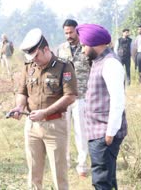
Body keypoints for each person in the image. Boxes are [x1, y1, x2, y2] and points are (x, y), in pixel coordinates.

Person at [8, 28, 77, 190]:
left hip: (55, 126)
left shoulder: (64, 67)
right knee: (34, 172)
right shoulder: (29, 67)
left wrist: (45, 113)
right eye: (32, 57)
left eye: (37, 56)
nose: (35, 60)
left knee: (59, 174)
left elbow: (70, 96)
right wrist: (19, 106)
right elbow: (22, 92)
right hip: (32, 126)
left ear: (46, 49)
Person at [76, 24, 128, 190]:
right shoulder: (99, 61)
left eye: (84, 45)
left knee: (101, 180)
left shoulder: (110, 63)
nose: (83, 50)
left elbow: (117, 100)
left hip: (104, 132)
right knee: (108, 179)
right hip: (99, 131)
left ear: (93, 44)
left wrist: (110, 132)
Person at [57, 19, 89, 177]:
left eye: (71, 32)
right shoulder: (61, 49)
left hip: (82, 95)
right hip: (64, 96)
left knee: (81, 132)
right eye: (66, 33)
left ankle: (82, 165)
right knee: (64, 130)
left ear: (77, 31)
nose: (68, 35)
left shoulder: (87, 47)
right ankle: (65, 162)